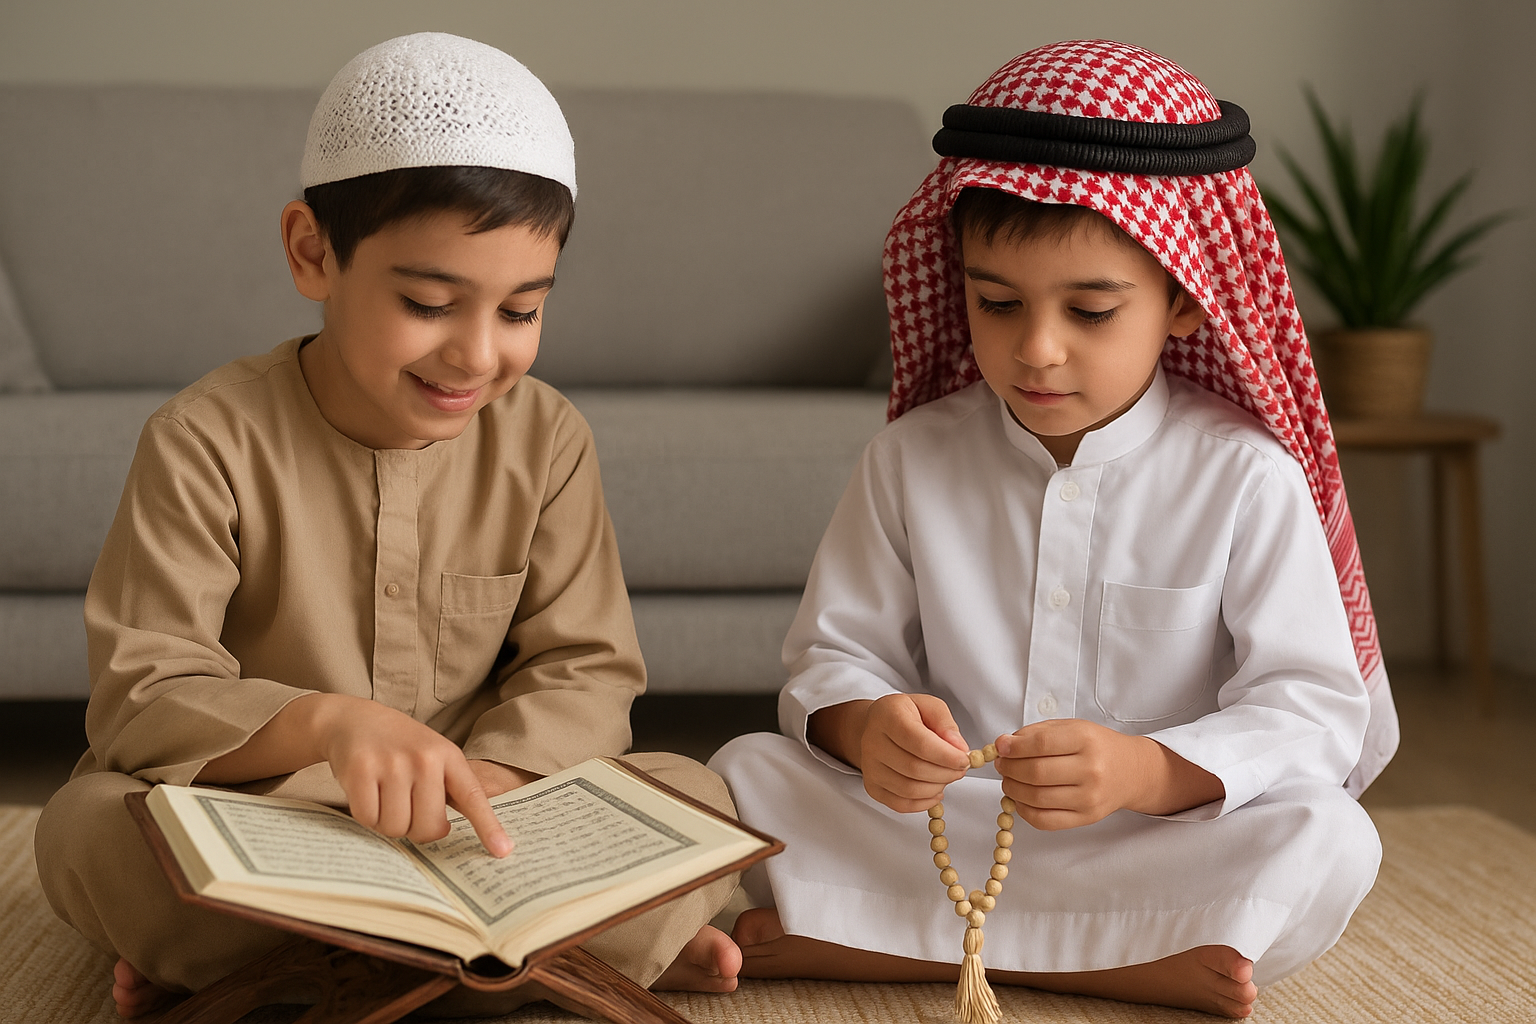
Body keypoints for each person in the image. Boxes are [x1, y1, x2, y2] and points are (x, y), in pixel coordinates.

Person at [34, 33, 741, 1019]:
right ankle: (538, 967)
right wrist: (330, 727)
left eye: (522, 312)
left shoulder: (548, 439)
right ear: (312, 251)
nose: (477, 354)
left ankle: (270, 980)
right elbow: (144, 695)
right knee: (88, 829)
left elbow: (584, 667)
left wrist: (484, 786)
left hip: (492, 823)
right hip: (276, 819)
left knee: (696, 793)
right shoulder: (204, 436)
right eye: (428, 302)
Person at [710, 39, 1399, 1019]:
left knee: (1331, 833)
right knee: (743, 774)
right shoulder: (912, 459)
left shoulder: (1244, 476)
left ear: (1185, 304)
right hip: (944, 823)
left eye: (1090, 309)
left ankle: (895, 941)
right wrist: (868, 729)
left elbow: (1314, 710)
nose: (1037, 349)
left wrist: (1148, 770)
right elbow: (831, 657)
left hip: (1152, 837)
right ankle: (1108, 964)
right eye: (997, 303)